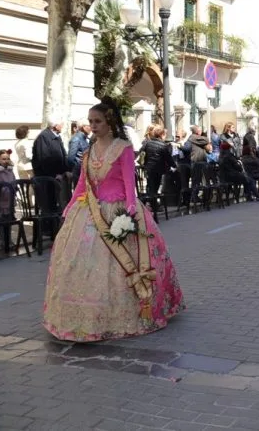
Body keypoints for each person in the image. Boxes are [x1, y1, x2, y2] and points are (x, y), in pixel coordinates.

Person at [43, 97, 184, 342]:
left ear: (109, 122)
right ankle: (83, 316)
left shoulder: (123, 148)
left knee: (126, 261)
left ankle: (132, 311)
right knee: (81, 264)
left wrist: (131, 211)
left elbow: (130, 183)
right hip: (90, 212)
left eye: (97, 121)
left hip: (120, 210)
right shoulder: (87, 152)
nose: (93, 126)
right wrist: (70, 207)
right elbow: (81, 185)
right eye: (90, 121)